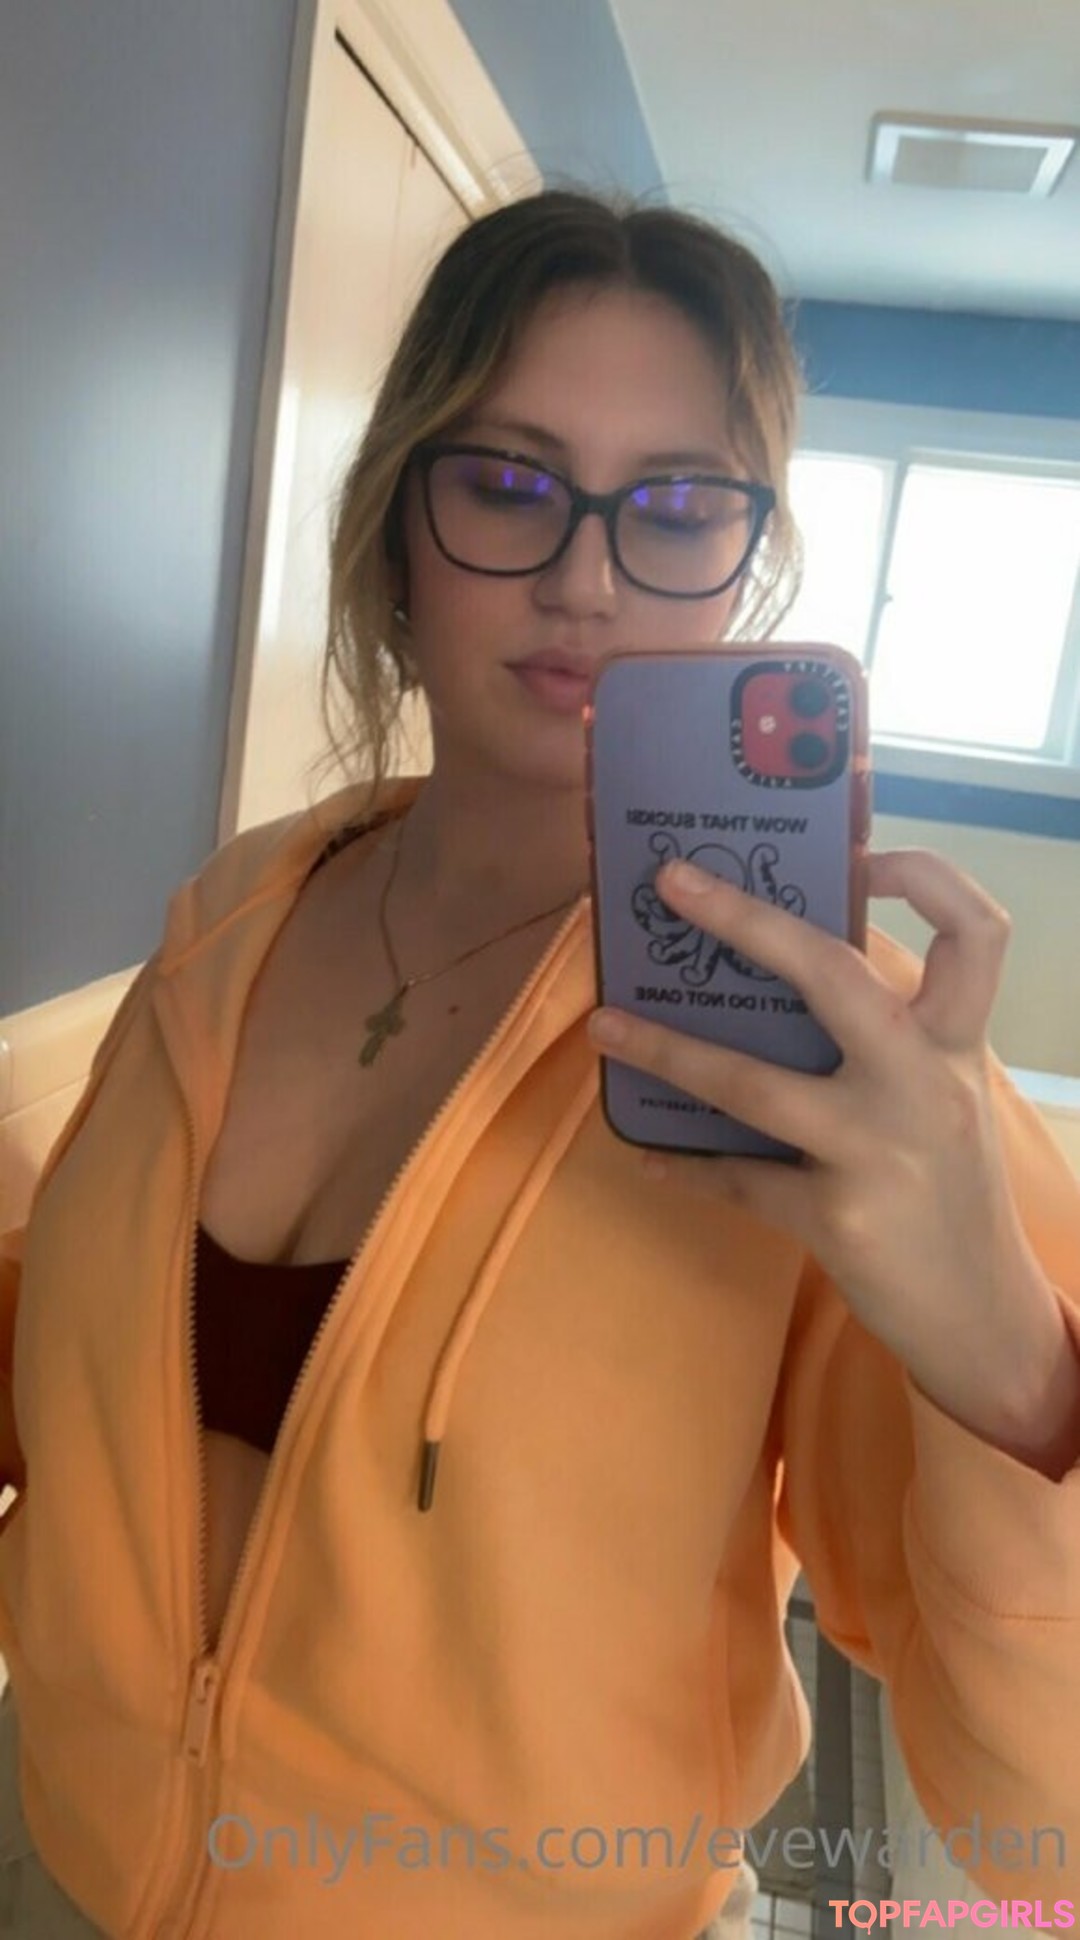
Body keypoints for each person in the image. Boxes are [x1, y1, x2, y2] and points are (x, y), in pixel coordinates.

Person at [0, 187, 1079, 1940]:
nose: (587, 578)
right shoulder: (236, 917)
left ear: (748, 560)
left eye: (678, 507)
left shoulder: (845, 1055)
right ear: (397, 527)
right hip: (69, 1862)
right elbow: (82, 1364)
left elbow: (1051, 1829)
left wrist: (1013, 1364)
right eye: (508, 483)